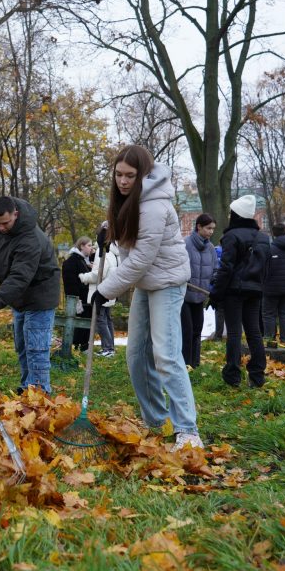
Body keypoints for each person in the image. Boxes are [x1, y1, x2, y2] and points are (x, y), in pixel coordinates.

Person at [91, 145, 203, 451]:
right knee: (136, 355)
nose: (123, 181)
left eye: (130, 176)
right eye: (119, 175)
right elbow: (129, 244)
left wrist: (104, 291)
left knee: (166, 355)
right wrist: (108, 230)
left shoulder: (154, 205)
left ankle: (188, 431)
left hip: (166, 282)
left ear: (143, 175)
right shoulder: (128, 201)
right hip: (145, 282)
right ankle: (157, 421)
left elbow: (140, 259)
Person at [0, 196, 61, 394]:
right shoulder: (4, 228)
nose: (1, 228)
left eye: (5, 223)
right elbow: (8, 249)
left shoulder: (30, 239)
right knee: (22, 346)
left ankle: (40, 395)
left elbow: (19, 277)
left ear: (16, 214)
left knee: (36, 348)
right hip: (20, 298)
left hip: (39, 296)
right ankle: (27, 387)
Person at [209, 195, 271, 388]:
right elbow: (267, 267)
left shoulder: (231, 236)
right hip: (255, 290)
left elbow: (226, 267)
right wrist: (260, 287)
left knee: (234, 333)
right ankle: (257, 374)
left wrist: (216, 293)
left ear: (236, 214)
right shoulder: (263, 238)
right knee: (254, 332)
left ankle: (233, 375)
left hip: (234, 291)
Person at [181, 213, 217, 368]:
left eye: (213, 229)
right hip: (184, 295)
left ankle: (195, 364)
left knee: (197, 330)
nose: (211, 232)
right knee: (187, 331)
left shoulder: (210, 248)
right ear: (199, 227)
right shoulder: (185, 244)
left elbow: (215, 270)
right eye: (208, 228)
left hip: (200, 296)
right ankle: (184, 364)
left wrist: (214, 287)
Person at [79, 222, 117, 357]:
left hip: (102, 292)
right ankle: (109, 347)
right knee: (107, 320)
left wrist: (83, 276)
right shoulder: (112, 253)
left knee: (101, 321)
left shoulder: (103, 253)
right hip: (109, 291)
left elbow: (98, 275)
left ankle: (108, 348)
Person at [61, 236, 93, 351]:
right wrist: (75, 299)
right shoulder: (72, 261)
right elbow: (70, 283)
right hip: (79, 299)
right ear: (81, 246)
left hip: (85, 298)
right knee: (80, 322)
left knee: (85, 322)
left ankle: (83, 345)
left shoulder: (84, 260)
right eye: (89, 245)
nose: (91, 248)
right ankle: (80, 346)